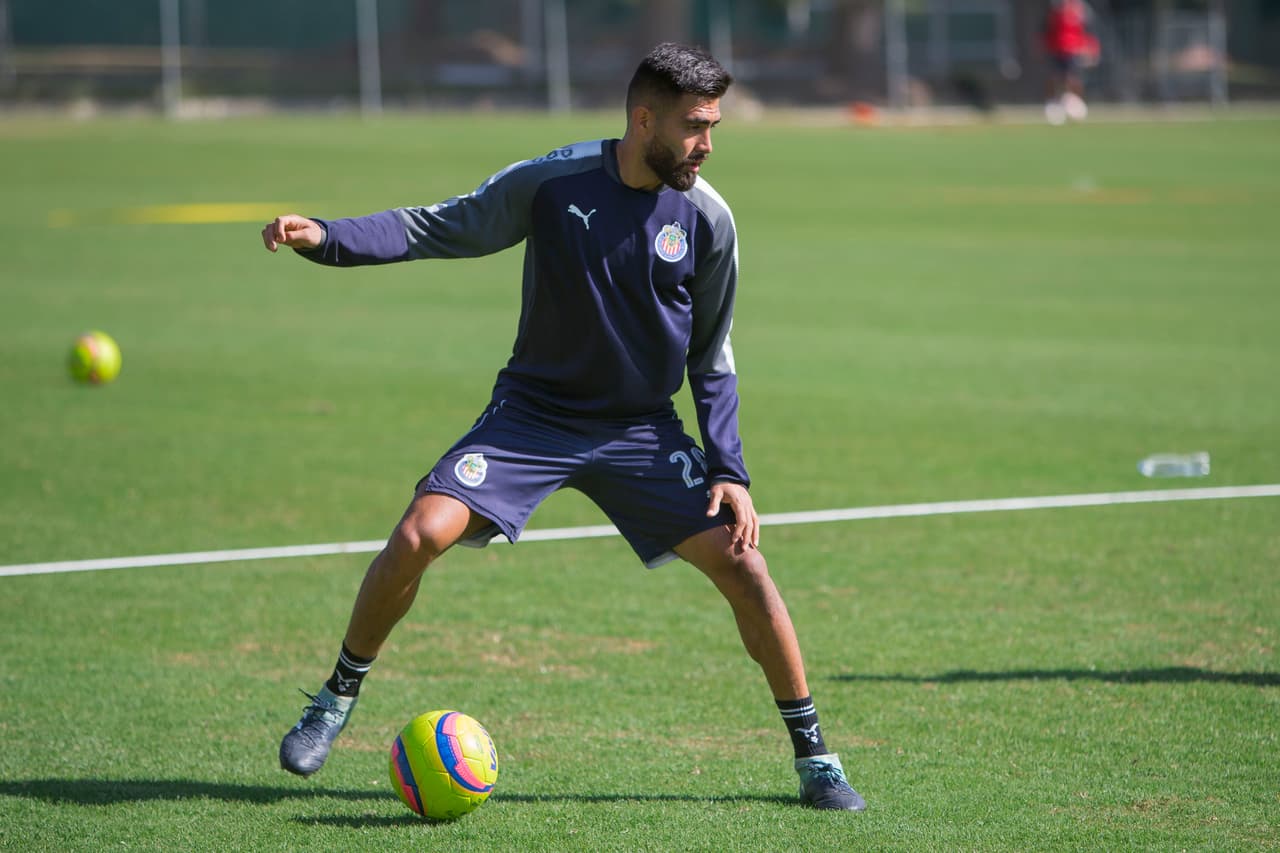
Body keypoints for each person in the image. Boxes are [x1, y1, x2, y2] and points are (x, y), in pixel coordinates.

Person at [260, 42, 865, 812]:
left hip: (642, 430)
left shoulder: (708, 217)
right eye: (694, 126)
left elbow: (712, 355)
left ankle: (816, 757)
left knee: (746, 567)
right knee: (417, 534)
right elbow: (444, 225)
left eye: (714, 125)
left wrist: (730, 470)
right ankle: (334, 698)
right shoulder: (553, 181)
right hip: (534, 418)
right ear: (644, 119)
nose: (708, 144)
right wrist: (328, 236)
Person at [1042, 0, 1100, 125]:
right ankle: (1053, 104)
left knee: (1073, 78)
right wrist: (1044, 46)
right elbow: (1046, 30)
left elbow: (1089, 31)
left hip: (1074, 50)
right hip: (1056, 49)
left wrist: (1091, 49)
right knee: (1054, 78)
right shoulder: (1054, 10)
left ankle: (1074, 103)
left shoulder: (1081, 9)